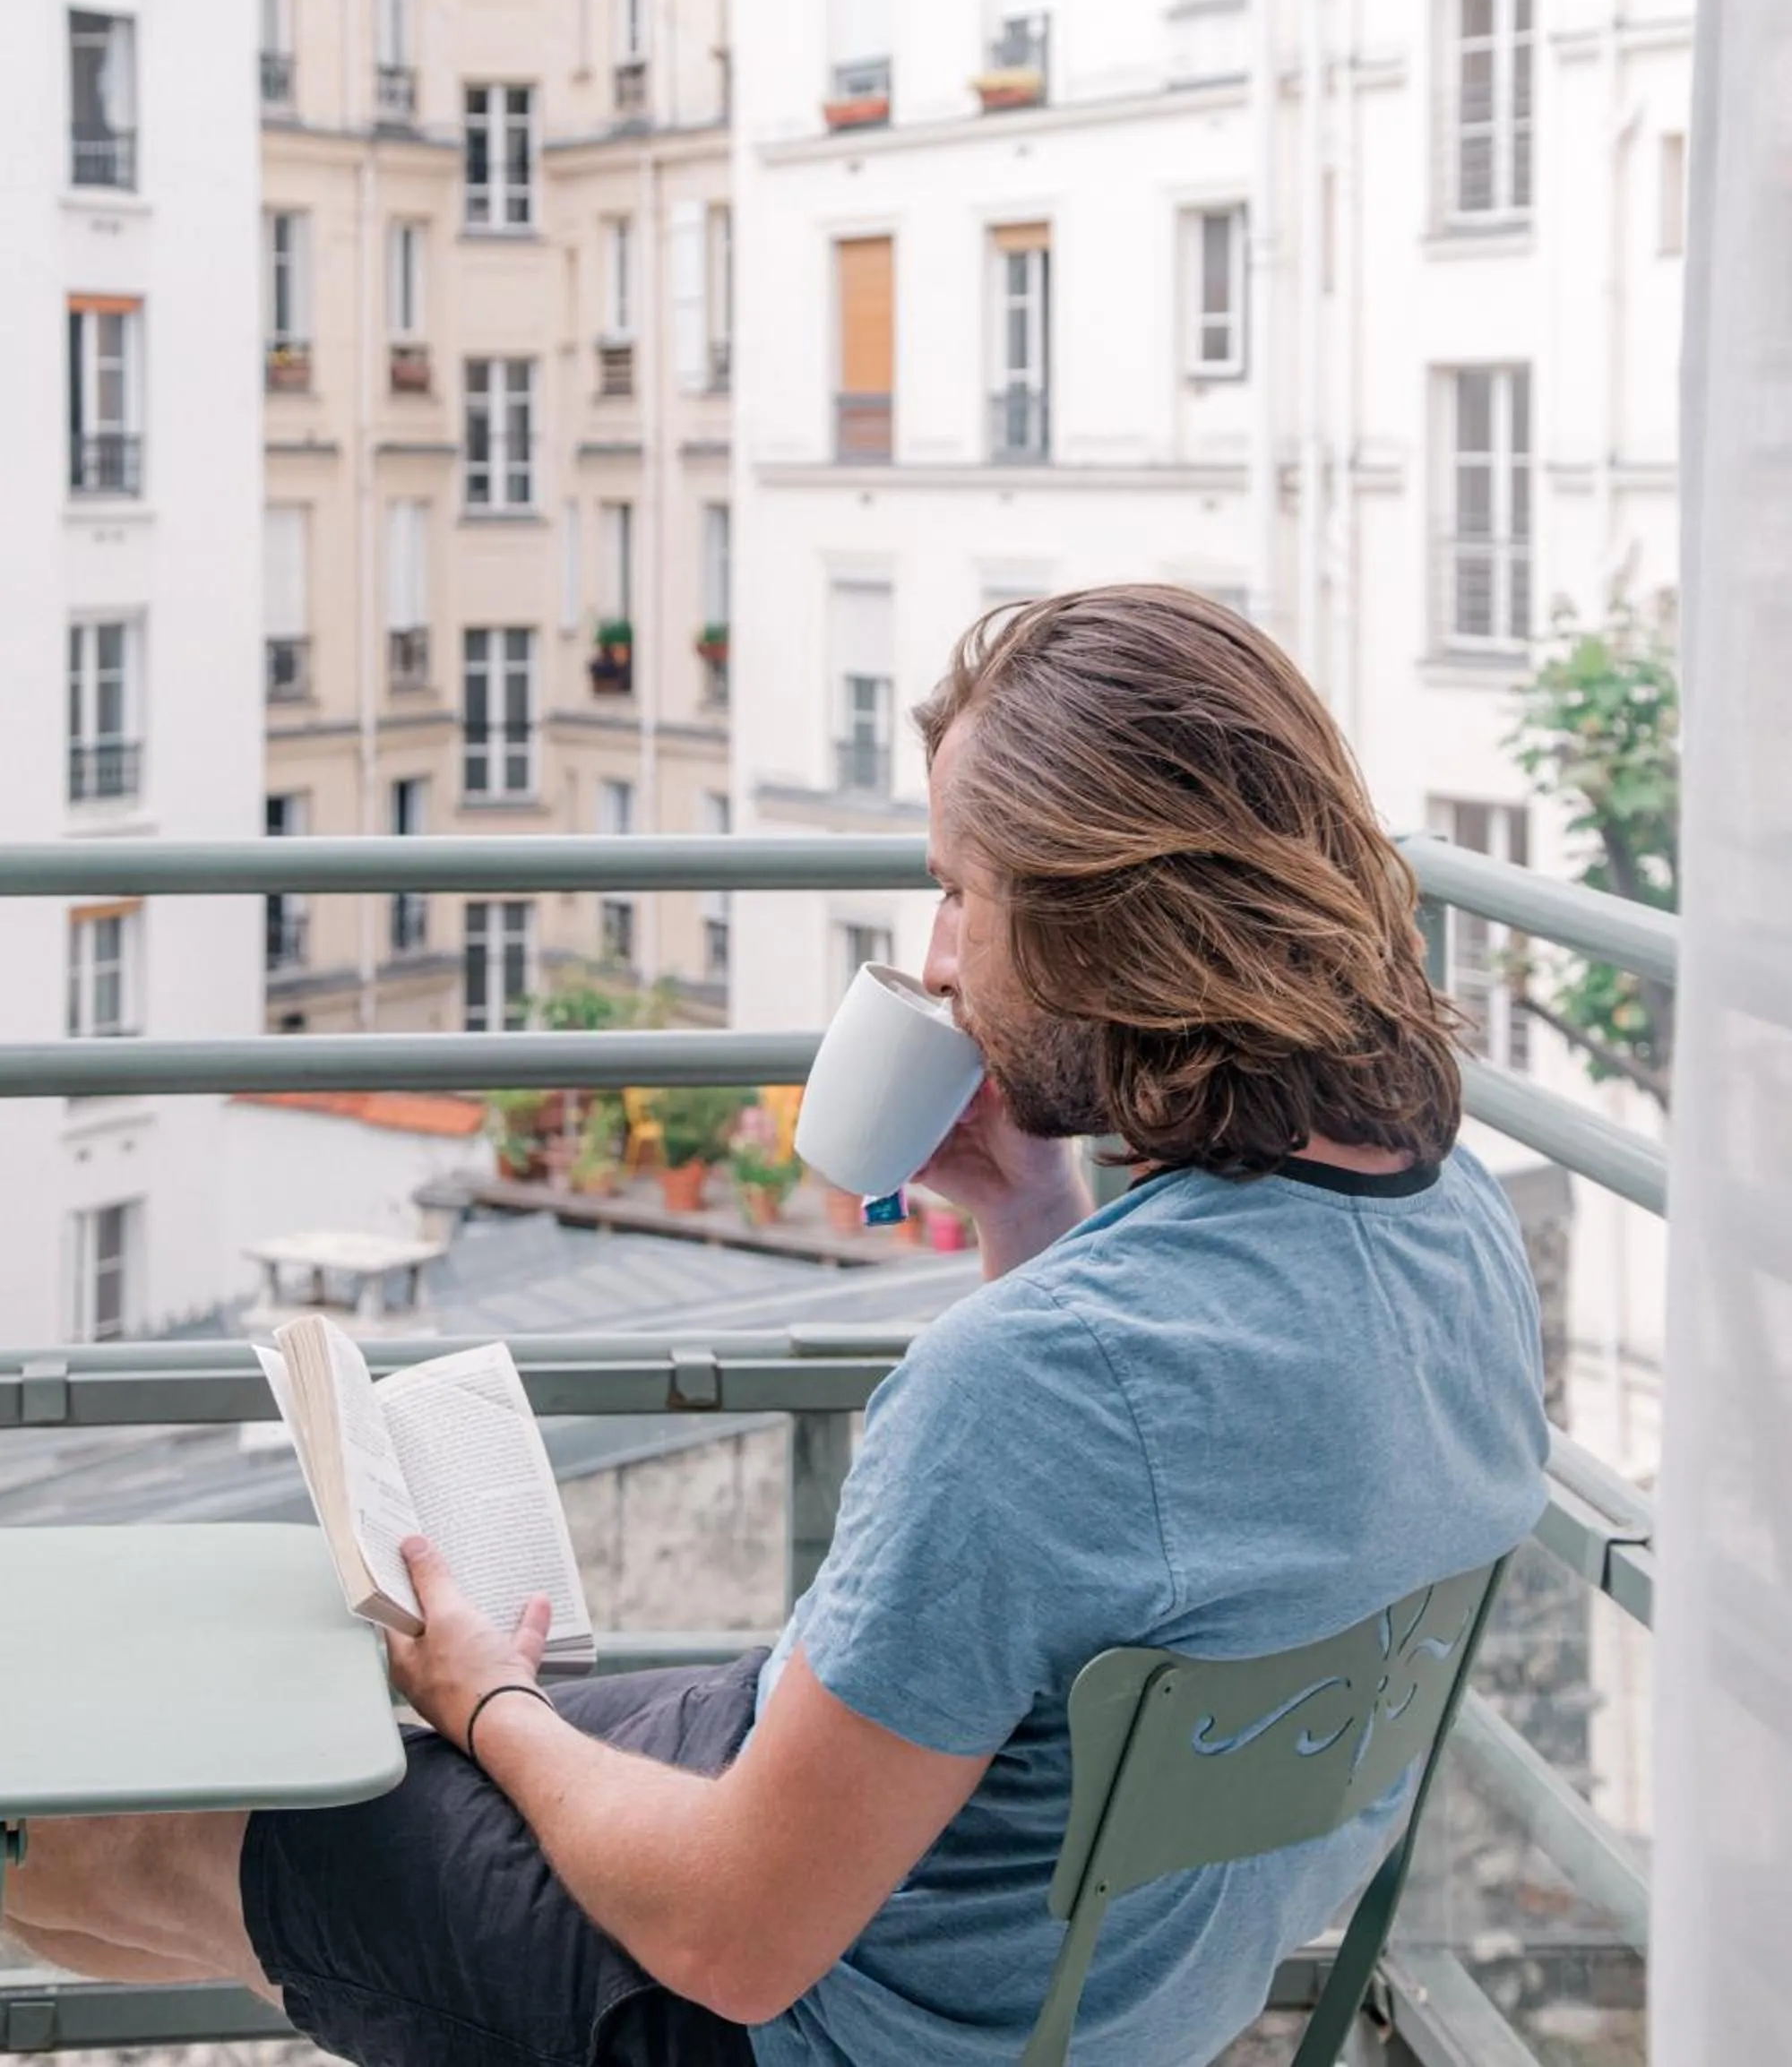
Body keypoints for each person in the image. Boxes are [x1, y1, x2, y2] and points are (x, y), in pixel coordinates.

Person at [9, 585, 1548, 2067]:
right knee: (287, 1825)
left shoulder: (1024, 1392)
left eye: (963, 894)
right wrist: (1030, 1213)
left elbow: (734, 1940)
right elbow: (1154, 1532)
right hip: (1081, 1989)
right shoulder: (1456, 1234)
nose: (936, 961)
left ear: (1111, 920)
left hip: (772, 2017)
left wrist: (485, 1702)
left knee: (97, 1835)